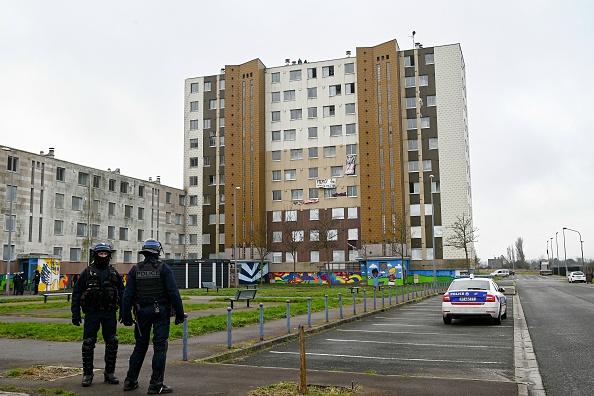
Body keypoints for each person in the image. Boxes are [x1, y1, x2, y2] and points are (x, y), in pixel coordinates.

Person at [120, 238, 186, 394]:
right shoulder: (164, 269)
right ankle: (156, 384)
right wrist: (179, 314)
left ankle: (130, 381)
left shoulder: (135, 270)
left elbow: (127, 295)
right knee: (160, 348)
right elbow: (173, 293)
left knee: (140, 347)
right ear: (158, 252)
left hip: (141, 313)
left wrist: (126, 316)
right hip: (161, 312)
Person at [71, 240, 124, 387]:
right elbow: (76, 293)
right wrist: (75, 313)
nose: (103, 255)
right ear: (95, 255)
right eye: (100, 253)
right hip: (92, 313)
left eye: (105, 253)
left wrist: (124, 312)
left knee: (112, 342)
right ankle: (88, 374)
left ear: (109, 255)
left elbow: (123, 292)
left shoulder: (114, 273)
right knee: (88, 343)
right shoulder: (87, 273)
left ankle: (110, 372)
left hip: (109, 313)